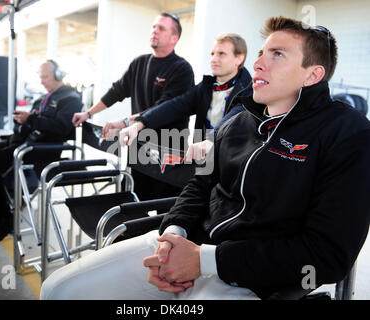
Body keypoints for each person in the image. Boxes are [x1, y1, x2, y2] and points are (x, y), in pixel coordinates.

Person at [40, 16, 370, 300]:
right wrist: (174, 235)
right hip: (187, 247)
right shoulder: (239, 120)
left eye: (278, 54)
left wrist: (206, 260)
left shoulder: (346, 133)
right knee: (57, 290)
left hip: (254, 279)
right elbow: (200, 184)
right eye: (260, 54)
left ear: (312, 75)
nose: (258, 64)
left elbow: (326, 254)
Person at [72, 13, 194, 200]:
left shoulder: (182, 69)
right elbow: (117, 91)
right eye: (154, 26)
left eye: (161, 28)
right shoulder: (139, 63)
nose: (154, 31)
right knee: (131, 208)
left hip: (169, 155)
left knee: (165, 217)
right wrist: (88, 113)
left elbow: (164, 108)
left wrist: (123, 122)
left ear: (174, 38)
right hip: (138, 150)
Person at [0, 60, 82, 246]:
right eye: (40, 77)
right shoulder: (43, 98)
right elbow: (35, 121)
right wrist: (22, 121)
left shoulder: (71, 98)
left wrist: (31, 119)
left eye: (45, 77)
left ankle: (4, 219)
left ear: (58, 75)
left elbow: (61, 128)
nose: (41, 81)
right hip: (25, 142)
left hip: (42, 149)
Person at [115, 33, 252, 160]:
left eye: (221, 54)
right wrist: (139, 124)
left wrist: (211, 141)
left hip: (232, 168)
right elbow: (174, 106)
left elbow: (233, 121)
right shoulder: (205, 87)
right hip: (202, 164)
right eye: (212, 54)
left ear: (239, 59)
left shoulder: (250, 91)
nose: (214, 59)